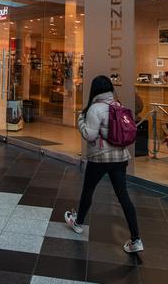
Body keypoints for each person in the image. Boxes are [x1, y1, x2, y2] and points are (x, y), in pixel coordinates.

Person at [65, 75, 143, 253]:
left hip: (100, 157)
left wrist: (80, 121)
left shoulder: (95, 108)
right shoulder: (118, 105)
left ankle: (78, 223)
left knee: (88, 190)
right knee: (123, 197)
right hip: (120, 157)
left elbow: (90, 135)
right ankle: (136, 239)